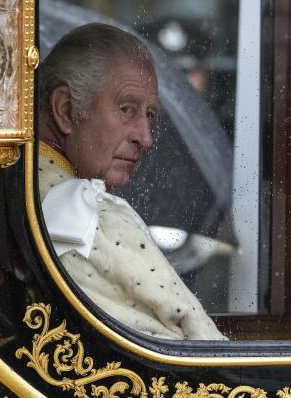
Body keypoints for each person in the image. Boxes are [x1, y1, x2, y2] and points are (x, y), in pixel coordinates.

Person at [36, 22, 226, 340]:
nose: (146, 138)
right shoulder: (97, 215)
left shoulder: (12, 189)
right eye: (127, 110)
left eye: (149, 115)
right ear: (66, 110)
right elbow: (205, 347)